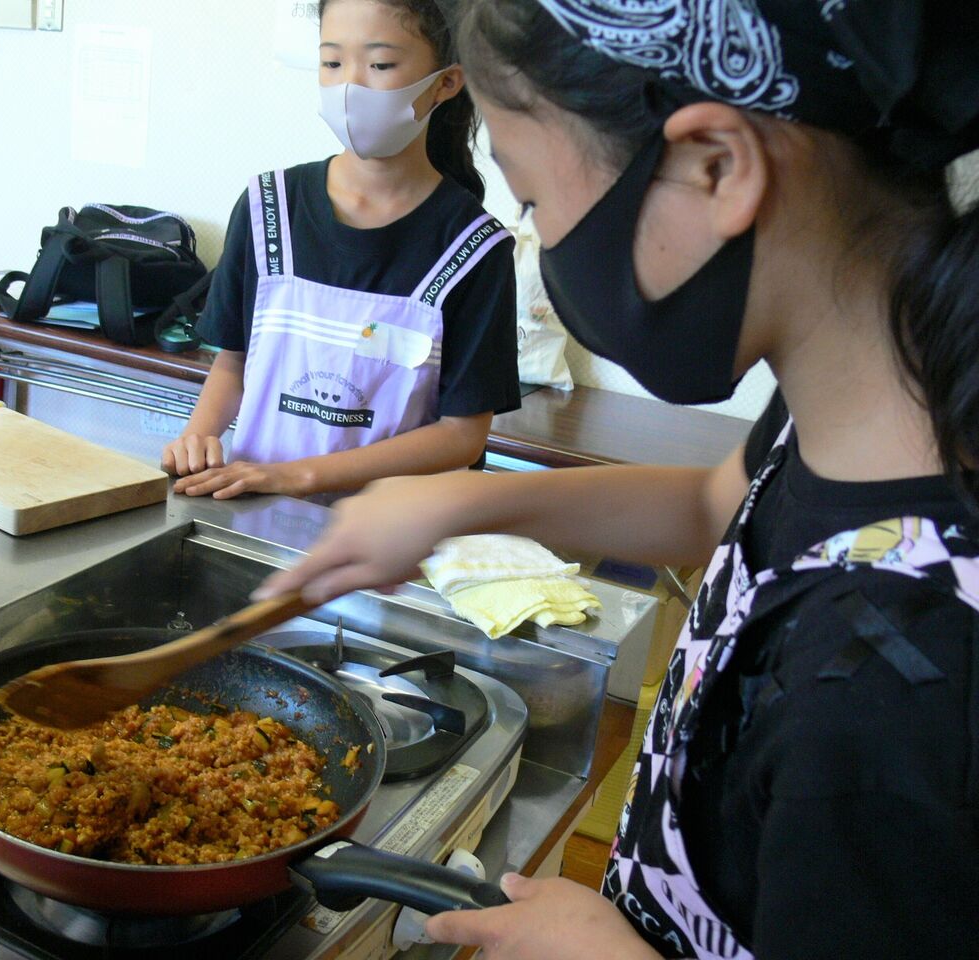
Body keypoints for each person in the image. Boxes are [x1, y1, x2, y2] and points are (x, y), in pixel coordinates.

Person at [259, 0, 979, 957]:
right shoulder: (860, 412)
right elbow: (709, 506)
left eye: (534, 202)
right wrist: (464, 499)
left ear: (717, 167)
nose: (545, 244)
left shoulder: (900, 691)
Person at [161, 0, 519, 501]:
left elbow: (462, 436)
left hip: (385, 542)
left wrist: (299, 475)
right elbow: (234, 363)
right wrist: (198, 437)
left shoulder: (475, 248)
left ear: (446, 82)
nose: (349, 86)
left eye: (380, 65)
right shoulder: (270, 208)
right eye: (332, 63)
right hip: (251, 513)